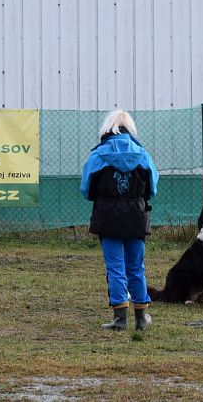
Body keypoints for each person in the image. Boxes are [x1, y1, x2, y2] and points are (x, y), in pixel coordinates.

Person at [81, 109, 159, 330]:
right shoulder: (142, 154)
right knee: (136, 266)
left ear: (107, 129)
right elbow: (152, 188)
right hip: (136, 216)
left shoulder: (98, 155)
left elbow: (86, 189)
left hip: (107, 216)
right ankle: (142, 317)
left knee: (114, 266)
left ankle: (120, 319)